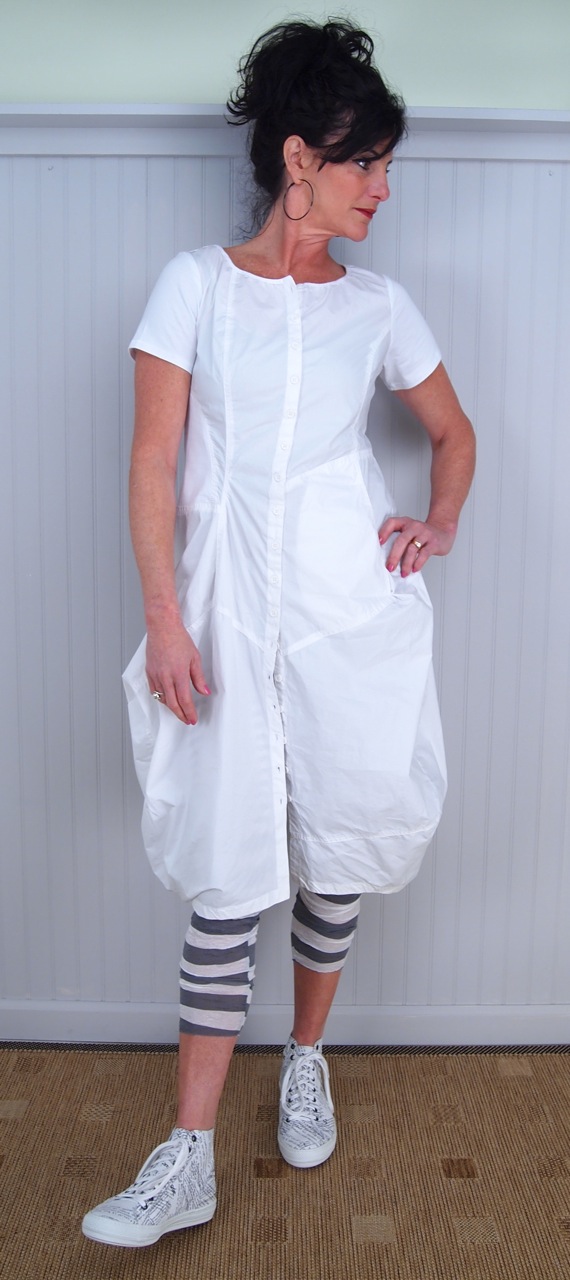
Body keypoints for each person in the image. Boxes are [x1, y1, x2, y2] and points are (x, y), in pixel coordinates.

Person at [82, 17, 475, 1248]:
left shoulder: (380, 304)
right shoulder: (194, 285)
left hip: (347, 612)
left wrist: (438, 520)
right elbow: (153, 461)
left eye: (387, 164)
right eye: (367, 162)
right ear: (300, 158)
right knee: (227, 863)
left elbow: (454, 433)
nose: (384, 187)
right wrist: (164, 618)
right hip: (223, 612)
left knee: (336, 846)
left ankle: (306, 1056)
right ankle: (188, 1153)